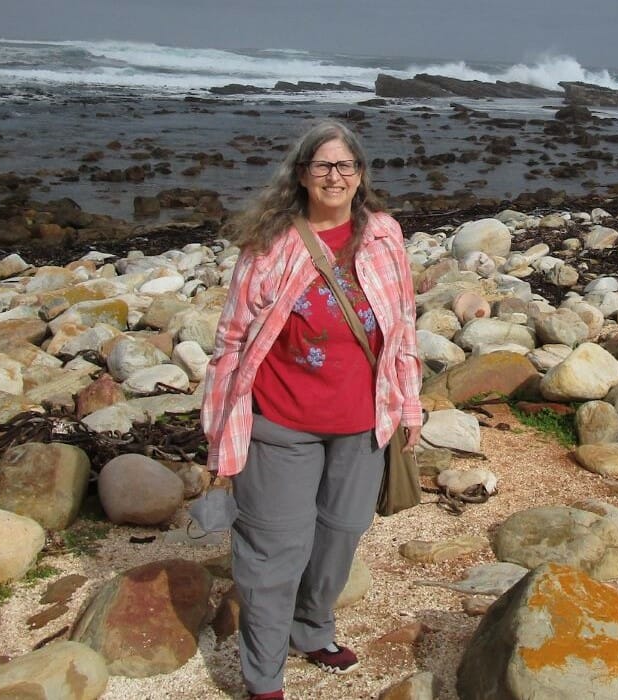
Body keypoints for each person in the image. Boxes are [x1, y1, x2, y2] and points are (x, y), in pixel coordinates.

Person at [201, 120, 423, 700]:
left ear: (360, 177)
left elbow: (403, 328)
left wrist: (410, 407)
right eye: (323, 165)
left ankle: (312, 628)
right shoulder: (270, 244)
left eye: (345, 166)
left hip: (363, 426)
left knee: (340, 537)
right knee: (274, 553)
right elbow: (231, 341)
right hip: (280, 425)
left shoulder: (384, 235)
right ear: (301, 175)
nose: (335, 175)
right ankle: (264, 679)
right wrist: (220, 430)